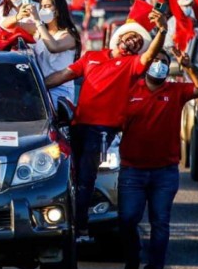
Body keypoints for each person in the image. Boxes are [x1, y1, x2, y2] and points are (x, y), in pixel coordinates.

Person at [44, 12, 168, 242]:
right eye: (131, 37)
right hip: (77, 125)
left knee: (86, 178)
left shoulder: (133, 64)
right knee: (69, 176)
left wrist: (162, 31)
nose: (133, 42)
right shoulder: (91, 56)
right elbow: (63, 75)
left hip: (101, 130)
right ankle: (63, 222)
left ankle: (80, 228)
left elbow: (150, 55)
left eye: (138, 43)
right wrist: (36, 85)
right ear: (120, 37)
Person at [119, 49, 198, 269]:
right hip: (132, 171)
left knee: (160, 222)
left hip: (165, 172)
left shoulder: (175, 90)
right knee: (128, 219)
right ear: (146, 64)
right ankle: (133, 255)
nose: (159, 65)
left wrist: (189, 67)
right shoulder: (129, 90)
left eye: (164, 62)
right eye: (155, 60)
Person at [29, 0, 81, 103]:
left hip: (60, 91)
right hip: (40, 89)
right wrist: (19, 15)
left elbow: (54, 47)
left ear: (57, 10)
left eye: (47, 6)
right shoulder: (41, 31)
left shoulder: (68, 35)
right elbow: (10, 26)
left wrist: (38, 21)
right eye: (42, 7)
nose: (43, 10)